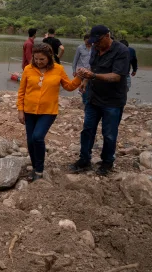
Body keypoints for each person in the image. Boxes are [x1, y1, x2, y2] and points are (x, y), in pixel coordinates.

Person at [71, 25, 130, 176]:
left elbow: (117, 76)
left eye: (97, 41)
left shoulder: (122, 51)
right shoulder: (95, 50)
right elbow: (93, 68)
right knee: (87, 130)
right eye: (93, 41)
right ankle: (84, 159)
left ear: (107, 36)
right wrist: (85, 81)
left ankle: (107, 162)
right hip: (93, 97)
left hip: (113, 101)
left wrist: (93, 76)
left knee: (109, 133)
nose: (95, 44)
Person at [17, 44, 82, 181]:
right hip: (29, 110)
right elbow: (21, 92)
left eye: (42, 59)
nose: (39, 62)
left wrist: (79, 77)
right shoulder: (28, 69)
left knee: (37, 137)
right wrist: (20, 110)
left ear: (50, 58)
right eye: (36, 59)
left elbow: (69, 86)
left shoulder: (58, 69)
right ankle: (35, 167)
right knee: (30, 141)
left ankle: (39, 170)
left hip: (48, 111)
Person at [72, 34, 92, 104]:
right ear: (84, 41)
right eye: (86, 42)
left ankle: (88, 100)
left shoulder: (95, 48)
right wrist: (74, 71)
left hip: (91, 70)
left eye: (89, 42)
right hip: (81, 71)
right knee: (83, 86)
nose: (88, 43)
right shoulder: (80, 48)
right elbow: (75, 60)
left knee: (90, 86)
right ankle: (85, 101)